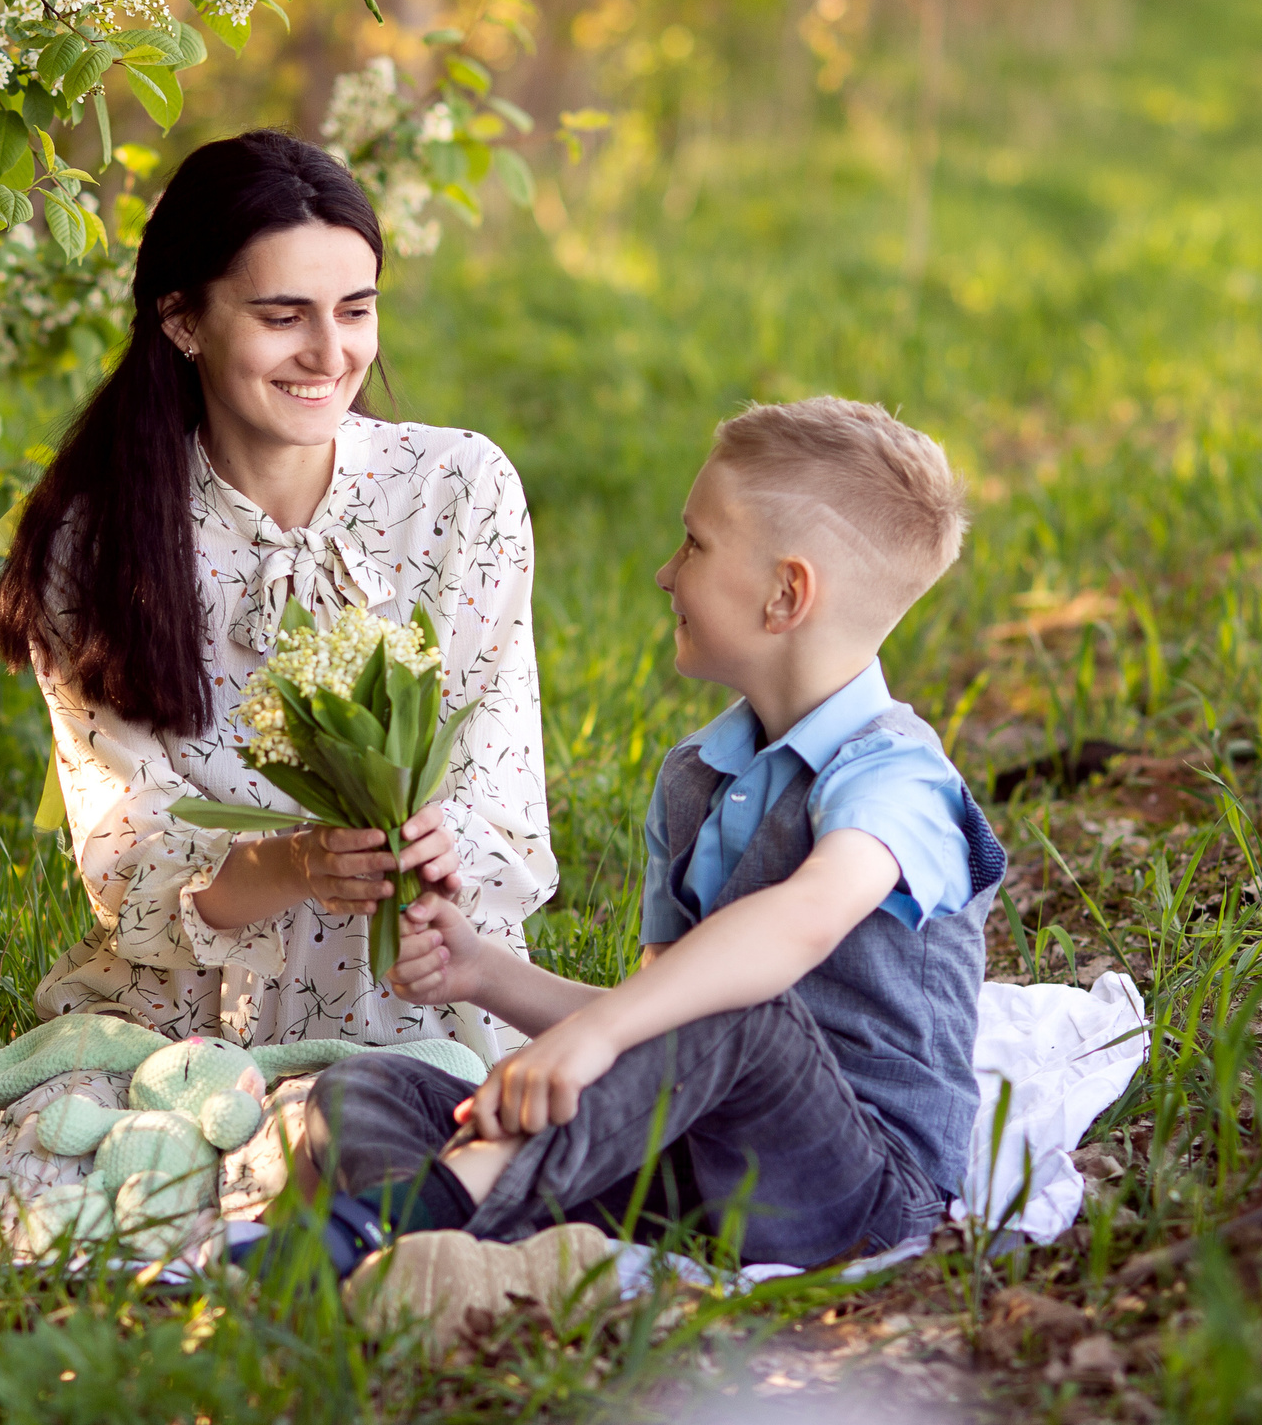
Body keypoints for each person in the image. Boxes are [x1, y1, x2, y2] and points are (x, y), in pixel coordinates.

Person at [302, 397, 1006, 1270]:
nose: (665, 573)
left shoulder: (900, 775)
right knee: (370, 1084)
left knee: (736, 1007)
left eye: (695, 544)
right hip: (691, 1168)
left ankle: (387, 1231)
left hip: (861, 1190)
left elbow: (799, 924)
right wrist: (481, 971)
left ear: (786, 595)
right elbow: (659, 1034)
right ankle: (435, 1251)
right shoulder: (695, 776)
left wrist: (596, 1038)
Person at [0, 130, 555, 1065]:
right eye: (283, 316)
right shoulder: (94, 541)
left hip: (429, 989)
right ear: (182, 320)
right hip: (186, 1020)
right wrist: (294, 862)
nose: (330, 353)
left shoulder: (458, 490)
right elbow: (126, 861)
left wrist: (434, 848)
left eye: (356, 310)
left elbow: (502, 785)